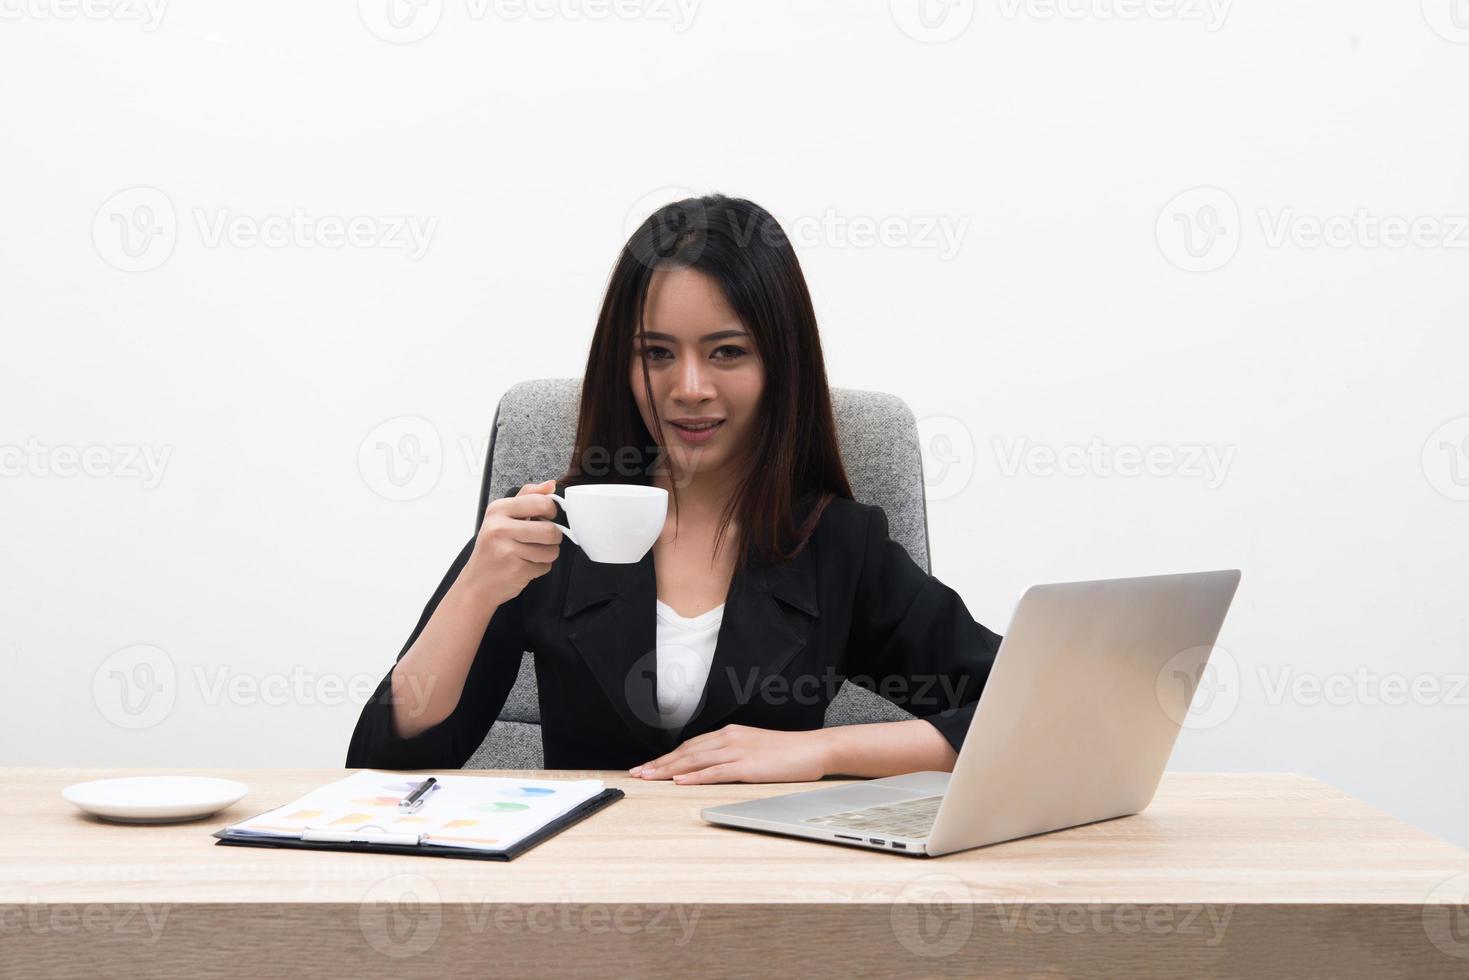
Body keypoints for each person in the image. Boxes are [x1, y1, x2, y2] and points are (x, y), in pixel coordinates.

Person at [345, 194, 1002, 784]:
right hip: (584, 883)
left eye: (726, 352)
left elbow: (1030, 714)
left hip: (766, 888)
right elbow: (382, 766)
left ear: (781, 365)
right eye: (656, 353)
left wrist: (825, 751)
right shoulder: (551, 525)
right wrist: (476, 589)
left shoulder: (836, 544)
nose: (688, 387)